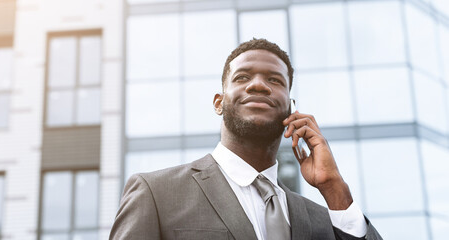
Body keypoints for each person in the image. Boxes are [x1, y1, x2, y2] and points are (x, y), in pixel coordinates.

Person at [110, 39, 382, 240]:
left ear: (291, 108)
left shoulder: (324, 220)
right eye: (242, 77)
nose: (259, 85)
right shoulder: (156, 193)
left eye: (275, 80)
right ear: (219, 103)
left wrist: (334, 188)